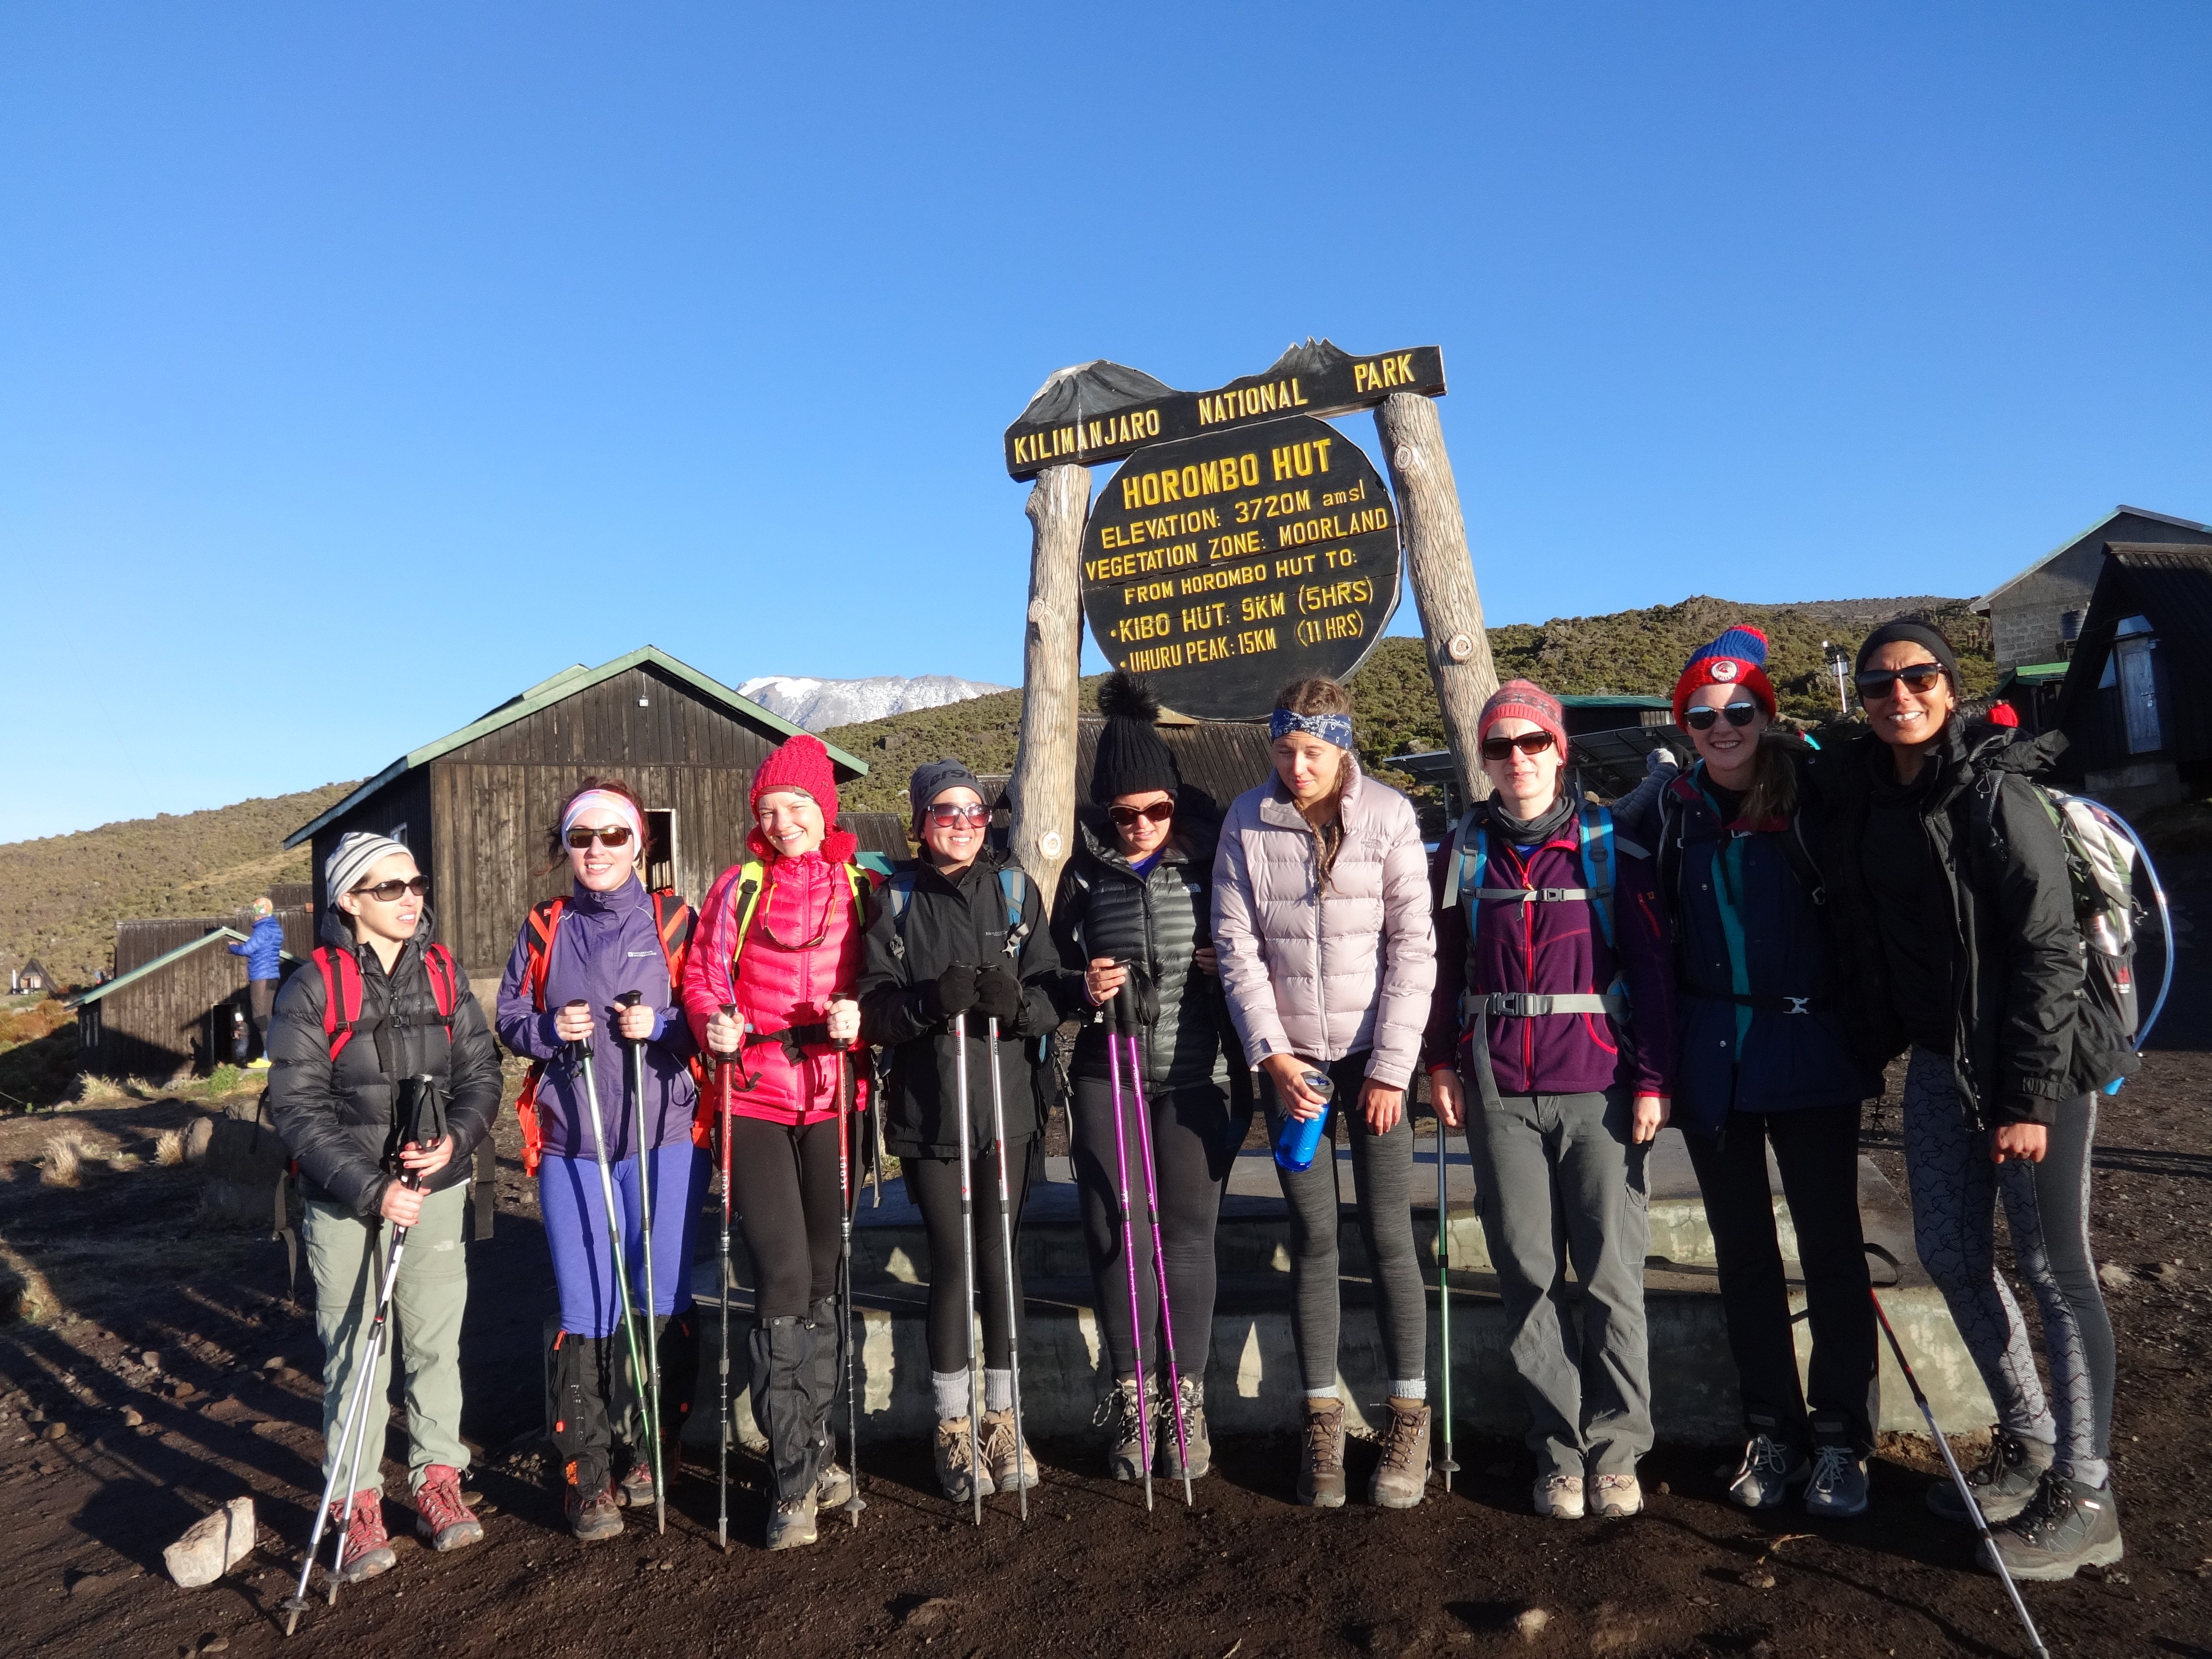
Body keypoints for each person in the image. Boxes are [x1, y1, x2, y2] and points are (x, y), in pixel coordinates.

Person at [1811, 620, 2123, 1580]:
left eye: (1919, 677)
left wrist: (2025, 1097)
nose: (1899, 695)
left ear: (1951, 685)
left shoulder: (1997, 792)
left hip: (2041, 1070)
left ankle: (2087, 1491)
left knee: (2052, 1266)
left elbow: (2048, 950)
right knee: (1948, 1250)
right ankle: (2028, 1444)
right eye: (1878, 685)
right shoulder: (1869, 796)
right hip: (1945, 1065)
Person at [1628, 627, 1881, 1518]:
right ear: (1684, 725)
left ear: (1764, 713)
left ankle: (1843, 1437)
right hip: (1712, 1057)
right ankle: (1771, 1428)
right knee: (1742, 1257)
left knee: (1830, 1250)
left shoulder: (1814, 792)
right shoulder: (1666, 808)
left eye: (1739, 710)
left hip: (1809, 1050)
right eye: (1702, 714)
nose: (1721, 725)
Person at [1423, 680, 1675, 1522]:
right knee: (1527, 1276)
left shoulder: (1609, 848)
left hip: (1597, 1090)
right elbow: (1443, 970)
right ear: (1484, 762)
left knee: (1609, 1278)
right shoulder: (1462, 853)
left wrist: (1650, 1079)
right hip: (1498, 1092)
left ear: (1559, 751)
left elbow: (1651, 973)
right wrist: (1440, 1064)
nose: (1518, 759)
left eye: (1534, 743)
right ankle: (1557, 1450)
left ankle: (1615, 1450)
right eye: (1500, 747)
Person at [1213, 676, 1437, 1509]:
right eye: (1283, 749)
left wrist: (1390, 1067)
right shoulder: (1246, 818)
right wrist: (1270, 1055)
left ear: (1343, 745)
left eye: (1312, 750)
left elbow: (1414, 946)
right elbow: (1233, 946)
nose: (1295, 765)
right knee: (1311, 1231)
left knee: (1385, 1232)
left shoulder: (1388, 815)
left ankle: (1408, 1414)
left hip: (1375, 1053)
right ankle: (1320, 1419)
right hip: (1294, 1060)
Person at [267, 831, 501, 1582]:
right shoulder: (313, 986)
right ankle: (356, 1500)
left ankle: (438, 1480)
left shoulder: (441, 971)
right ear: (348, 901)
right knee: (356, 1352)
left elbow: (481, 1072)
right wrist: (374, 1189)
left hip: (435, 1189)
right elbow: (296, 1108)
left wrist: (455, 1144)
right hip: (346, 1200)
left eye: (416, 884)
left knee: (436, 1343)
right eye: (389, 888)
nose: (410, 899)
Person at [495, 780, 706, 1541]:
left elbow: (710, 1009)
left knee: (659, 1295)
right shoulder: (545, 924)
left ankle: (655, 1445)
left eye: (613, 836)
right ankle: (586, 1471)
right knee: (585, 1305)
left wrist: (668, 1023)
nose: (597, 850)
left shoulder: (676, 920)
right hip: (572, 1141)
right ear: (567, 846)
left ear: (638, 843)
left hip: (664, 1137)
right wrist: (552, 1027)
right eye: (583, 838)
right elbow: (511, 1018)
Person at [681, 735, 877, 1551]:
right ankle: (792, 1477)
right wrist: (714, 1025)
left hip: (835, 1099)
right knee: (784, 1273)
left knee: (826, 1274)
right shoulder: (739, 886)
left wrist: (858, 1012)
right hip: (757, 1096)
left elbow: (884, 978)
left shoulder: (862, 888)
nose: (783, 820)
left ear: (823, 809)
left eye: (797, 806)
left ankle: (820, 1448)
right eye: (769, 810)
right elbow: (701, 976)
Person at [1049, 672, 1238, 1483]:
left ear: (1171, 800)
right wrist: (1076, 986)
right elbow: (1044, 973)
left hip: (1192, 1074)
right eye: (1121, 814)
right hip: (1106, 1072)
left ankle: (1184, 1401)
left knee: (1188, 1237)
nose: (1138, 826)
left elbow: (1260, 956)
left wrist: (1222, 964)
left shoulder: (1211, 865)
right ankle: (1133, 1397)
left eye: (1153, 810)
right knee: (1115, 1231)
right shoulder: (1081, 875)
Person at [857, 758, 1061, 1505]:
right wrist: (924, 1005)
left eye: (977, 814)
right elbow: (873, 1009)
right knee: (954, 1262)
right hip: (931, 1113)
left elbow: (1051, 994)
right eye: (947, 813)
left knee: (999, 1262)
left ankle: (1005, 1418)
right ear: (920, 822)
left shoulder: (1014, 892)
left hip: (1008, 1112)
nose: (965, 825)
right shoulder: (896, 900)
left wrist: (1019, 1006)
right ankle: (952, 1424)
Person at [229, 895, 286, 1068]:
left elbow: (248, 949)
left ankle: (269, 1056)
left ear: (258, 913)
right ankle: (276, 1053)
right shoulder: (275, 928)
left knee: (259, 1016)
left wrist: (232, 947)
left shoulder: (263, 929)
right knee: (269, 1016)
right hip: (272, 975)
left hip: (260, 976)